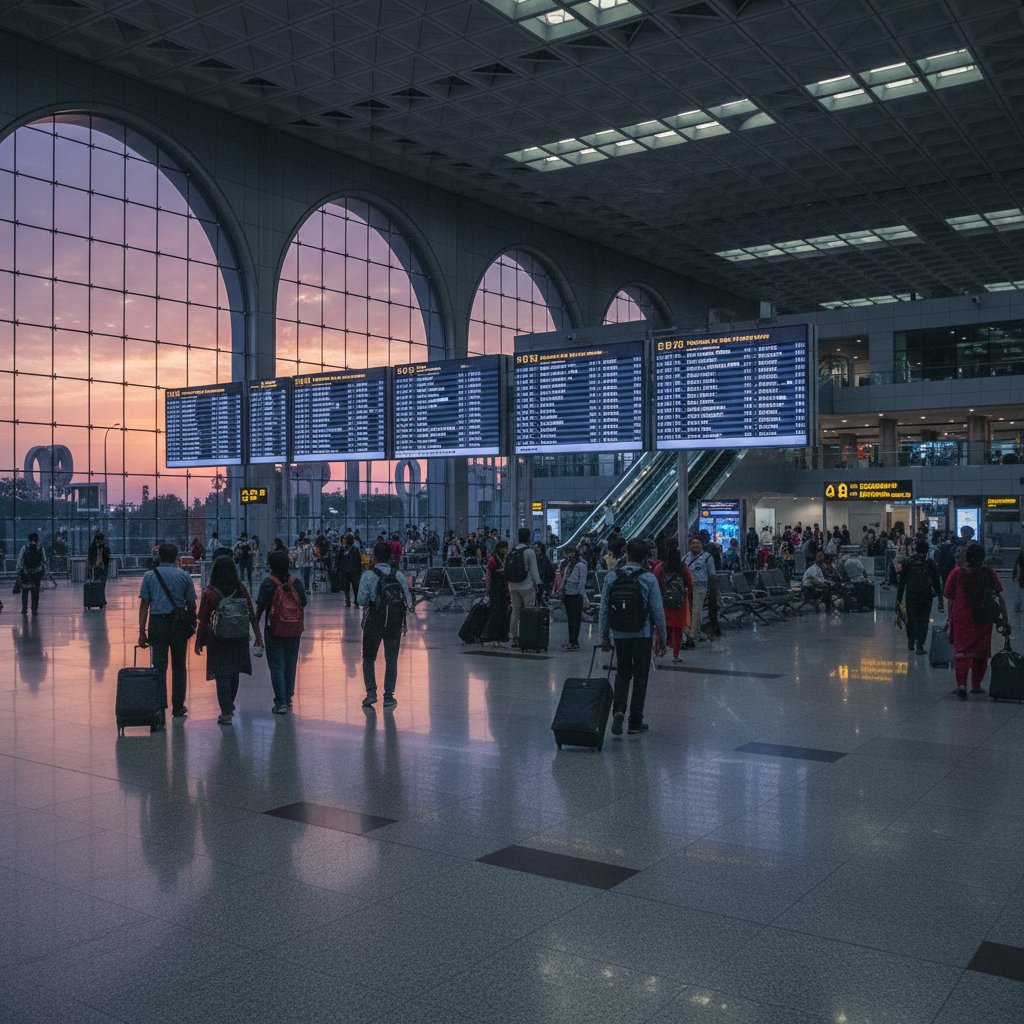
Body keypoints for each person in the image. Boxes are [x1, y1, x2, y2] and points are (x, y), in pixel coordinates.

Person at [599, 537, 667, 737]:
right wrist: (662, 637)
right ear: (646, 557)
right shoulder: (648, 578)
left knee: (622, 672)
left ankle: (618, 710)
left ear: (626, 554)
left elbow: (603, 608)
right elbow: (657, 610)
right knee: (641, 676)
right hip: (642, 633)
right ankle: (635, 721)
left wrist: (604, 635)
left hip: (619, 633)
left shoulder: (612, 577)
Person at [195, 554, 262, 724]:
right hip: (239, 635)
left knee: (221, 673)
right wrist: (258, 636)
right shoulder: (240, 589)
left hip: (218, 638)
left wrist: (199, 641)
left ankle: (226, 712)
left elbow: (203, 618)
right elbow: (251, 615)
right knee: (234, 671)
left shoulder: (210, 592)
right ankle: (229, 705)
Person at [138, 543, 197, 719]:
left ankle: (159, 706)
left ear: (159, 556)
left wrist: (142, 632)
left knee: (159, 667)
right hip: (178, 625)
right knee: (179, 666)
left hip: (157, 624)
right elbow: (192, 604)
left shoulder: (149, 576)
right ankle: (178, 706)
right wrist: (191, 624)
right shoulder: (184, 576)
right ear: (176, 557)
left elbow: (144, 605)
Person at [944, 542, 1006, 700]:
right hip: (983, 620)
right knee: (981, 653)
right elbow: (999, 596)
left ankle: (962, 684)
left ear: (966, 556)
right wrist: (1003, 620)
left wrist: (948, 617)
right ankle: (976, 685)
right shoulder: (989, 573)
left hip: (962, 619)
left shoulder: (957, 573)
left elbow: (949, 597)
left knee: (962, 652)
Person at [357, 541, 413, 708]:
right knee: (391, 659)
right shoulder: (398, 575)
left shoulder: (368, 575)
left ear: (374, 556)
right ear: (390, 557)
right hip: (394, 622)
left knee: (368, 657)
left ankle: (371, 693)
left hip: (374, 621)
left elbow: (361, 600)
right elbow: (408, 602)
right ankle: (388, 696)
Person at [255, 549, 308, 714]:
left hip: (274, 629)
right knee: (290, 663)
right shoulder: (296, 582)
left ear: (270, 565)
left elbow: (260, 608)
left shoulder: (267, 583)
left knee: (277, 664)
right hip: (294, 628)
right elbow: (304, 603)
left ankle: (281, 702)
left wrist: (255, 628)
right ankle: (288, 696)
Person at [896, 539, 944, 655]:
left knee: (911, 619)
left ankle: (910, 642)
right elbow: (936, 583)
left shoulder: (908, 562)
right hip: (926, 595)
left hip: (911, 595)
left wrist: (897, 602)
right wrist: (940, 600)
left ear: (915, 549)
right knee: (923, 620)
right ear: (927, 551)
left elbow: (902, 584)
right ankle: (920, 646)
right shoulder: (929, 563)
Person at [505, 527, 541, 646]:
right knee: (528, 612)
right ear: (528, 537)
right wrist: (538, 583)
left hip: (513, 587)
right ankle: (527, 636)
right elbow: (534, 571)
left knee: (515, 612)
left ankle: (514, 638)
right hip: (527, 587)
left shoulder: (512, 551)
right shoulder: (529, 552)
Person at [659, 547, 693, 661]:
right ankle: (676, 655)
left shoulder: (661, 567)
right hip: (680, 603)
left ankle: (660, 648)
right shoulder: (683, 567)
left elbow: (655, 581)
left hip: (664, 602)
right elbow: (690, 583)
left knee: (664, 627)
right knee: (678, 629)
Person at [553, 545, 587, 651]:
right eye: (567, 552)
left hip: (576, 595)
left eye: (571, 552)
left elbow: (582, 582)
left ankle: (574, 642)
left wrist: (582, 596)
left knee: (575, 619)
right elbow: (559, 578)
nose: (569, 555)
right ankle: (571, 641)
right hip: (566, 594)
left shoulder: (581, 565)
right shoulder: (564, 564)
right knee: (571, 619)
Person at [682, 536, 715, 643]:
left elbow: (712, 575)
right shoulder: (685, 558)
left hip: (700, 586)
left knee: (696, 610)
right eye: (693, 543)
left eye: (697, 543)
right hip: (687, 587)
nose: (695, 545)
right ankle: (688, 631)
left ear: (701, 545)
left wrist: (714, 591)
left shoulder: (707, 557)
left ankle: (692, 635)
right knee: (688, 610)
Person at [484, 540, 511, 645]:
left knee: (504, 612)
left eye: (506, 548)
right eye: (503, 548)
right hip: (495, 588)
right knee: (496, 612)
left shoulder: (506, 558)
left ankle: (502, 635)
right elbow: (490, 573)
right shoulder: (493, 558)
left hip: (504, 589)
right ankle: (492, 636)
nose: (505, 550)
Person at [17, 532, 48, 615]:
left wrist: (19, 571)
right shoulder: (40, 548)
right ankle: (34, 609)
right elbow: (44, 561)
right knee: (35, 593)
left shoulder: (25, 547)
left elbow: (20, 560)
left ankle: (24, 609)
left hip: (26, 573)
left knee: (25, 592)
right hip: (37, 574)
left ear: (29, 539)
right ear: (37, 539)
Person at [87, 531, 111, 607]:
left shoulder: (106, 548)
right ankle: (100, 600)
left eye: (100, 541)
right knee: (97, 584)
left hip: (103, 568)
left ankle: (101, 599)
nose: (98, 542)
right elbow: (90, 558)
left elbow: (107, 559)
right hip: (96, 568)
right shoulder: (92, 547)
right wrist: (91, 566)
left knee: (102, 584)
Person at [339, 534, 363, 607]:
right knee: (346, 587)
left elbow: (358, 560)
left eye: (346, 539)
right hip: (346, 571)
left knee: (355, 587)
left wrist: (359, 570)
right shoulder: (343, 549)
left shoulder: (355, 549)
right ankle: (348, 602)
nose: (344, 540)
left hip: (354, 571)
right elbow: (341, 559)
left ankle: (356, 602)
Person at [533, 540, 555, 605]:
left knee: (542, 604)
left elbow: (551, 573)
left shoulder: (546, 560)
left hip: (543, 585)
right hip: (534, 585)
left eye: (537, 547)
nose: (535, 549)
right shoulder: (533, 559)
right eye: (534, 547)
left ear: (541, 548)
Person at [1013, 547, 1024, 613]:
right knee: (1019, 592)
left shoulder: (1020, 558)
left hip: (1021, 577)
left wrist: (1017, 576)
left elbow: (1018, 566)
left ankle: (1017, 607)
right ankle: (1017, 607)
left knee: (1019, 592)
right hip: (1022, 576)